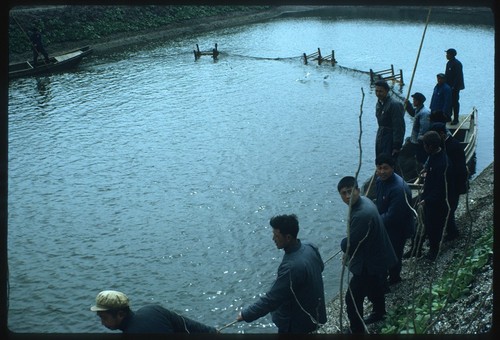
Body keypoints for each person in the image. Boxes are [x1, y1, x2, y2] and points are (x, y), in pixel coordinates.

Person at [237, 214, 327, 333]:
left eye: (276, 236)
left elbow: (272, 299)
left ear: (288, 237)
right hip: (316, 314)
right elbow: (320, 268)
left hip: (297, 324)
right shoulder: (310, 247)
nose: (273, 239)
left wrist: (246, 314)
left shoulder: (291, 267)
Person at [337, 176, 397, 334]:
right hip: (376, 254)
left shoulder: (361, 214)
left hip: (370, 261)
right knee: (374, 286)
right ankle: (379, 312)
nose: (348, 196)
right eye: (344, 193)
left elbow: (349, 243)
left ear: (357, 190)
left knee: (352, 299)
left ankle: (357, 330)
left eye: (350, 191)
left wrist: (344, 246)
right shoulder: (365, 201)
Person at [90, 290, 218, 333]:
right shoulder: (153, 310)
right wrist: (212, 332)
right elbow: (185, 324)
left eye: (104, 318)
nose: (102, 323)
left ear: (120, 314)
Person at [375, 153, 415, 285]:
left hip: (399, 227)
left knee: (395, 253)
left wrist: (375, 222)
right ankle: (384, 276)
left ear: (392, 168)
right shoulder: (380, 181)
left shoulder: (398, 188)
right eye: (379, 168)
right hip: (386, 224)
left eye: (385, 168)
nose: (382, 172)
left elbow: (394, 216)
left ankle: (395, 278)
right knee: (383, 252)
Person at [430, 122, 468, 241]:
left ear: (441, 134)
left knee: (450, 208)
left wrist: (453, 183)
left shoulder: (454, 146)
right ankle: (449, 230)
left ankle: (452, 232)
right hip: (447, 183)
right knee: (447, 208)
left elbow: (460, 169)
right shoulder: (443, 144)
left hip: (454, 184)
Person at [418, 131, 450, 261]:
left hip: (436, 202)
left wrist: (427, 200)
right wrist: (426, 170)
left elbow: (440, 188)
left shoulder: (442, 163)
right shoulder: (434, 156)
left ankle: (433, 251)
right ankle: (418, 249)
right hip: (429, 196)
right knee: (424, 225)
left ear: (430, 146)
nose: (423, 148)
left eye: (425, 145)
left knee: (433, 227)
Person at [374, 80, 406, 160]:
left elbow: (399, 126)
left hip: (390, 138)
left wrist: (397, 145)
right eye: (376, 91)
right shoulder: (379, 104)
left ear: (387, 91)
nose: (378, 94)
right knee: (379, 160)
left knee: (389, 161)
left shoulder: (395, 105)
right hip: (380, 136)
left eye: (380, 91)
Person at [404, 92, 431, 164]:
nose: (413, 101)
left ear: (418, 101)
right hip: (415, 140)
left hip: (419, 142)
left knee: (421, 159)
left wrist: (419, 140)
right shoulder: (418, 109)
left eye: (414, 100)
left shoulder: (425, 113)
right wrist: (408, 105)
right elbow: (413, 113)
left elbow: (424, 129)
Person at [444, 48, 465, 125]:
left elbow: (458, 77)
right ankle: (449, 117)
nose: (446, 55)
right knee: (448, 102)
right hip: (448, 87)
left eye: (448, 54)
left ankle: (456, 119)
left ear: (452, 55)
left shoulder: (457, 64)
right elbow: (446, 75)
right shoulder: (448, 63)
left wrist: (453, 87)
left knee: (455, 102)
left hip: (455, 87)